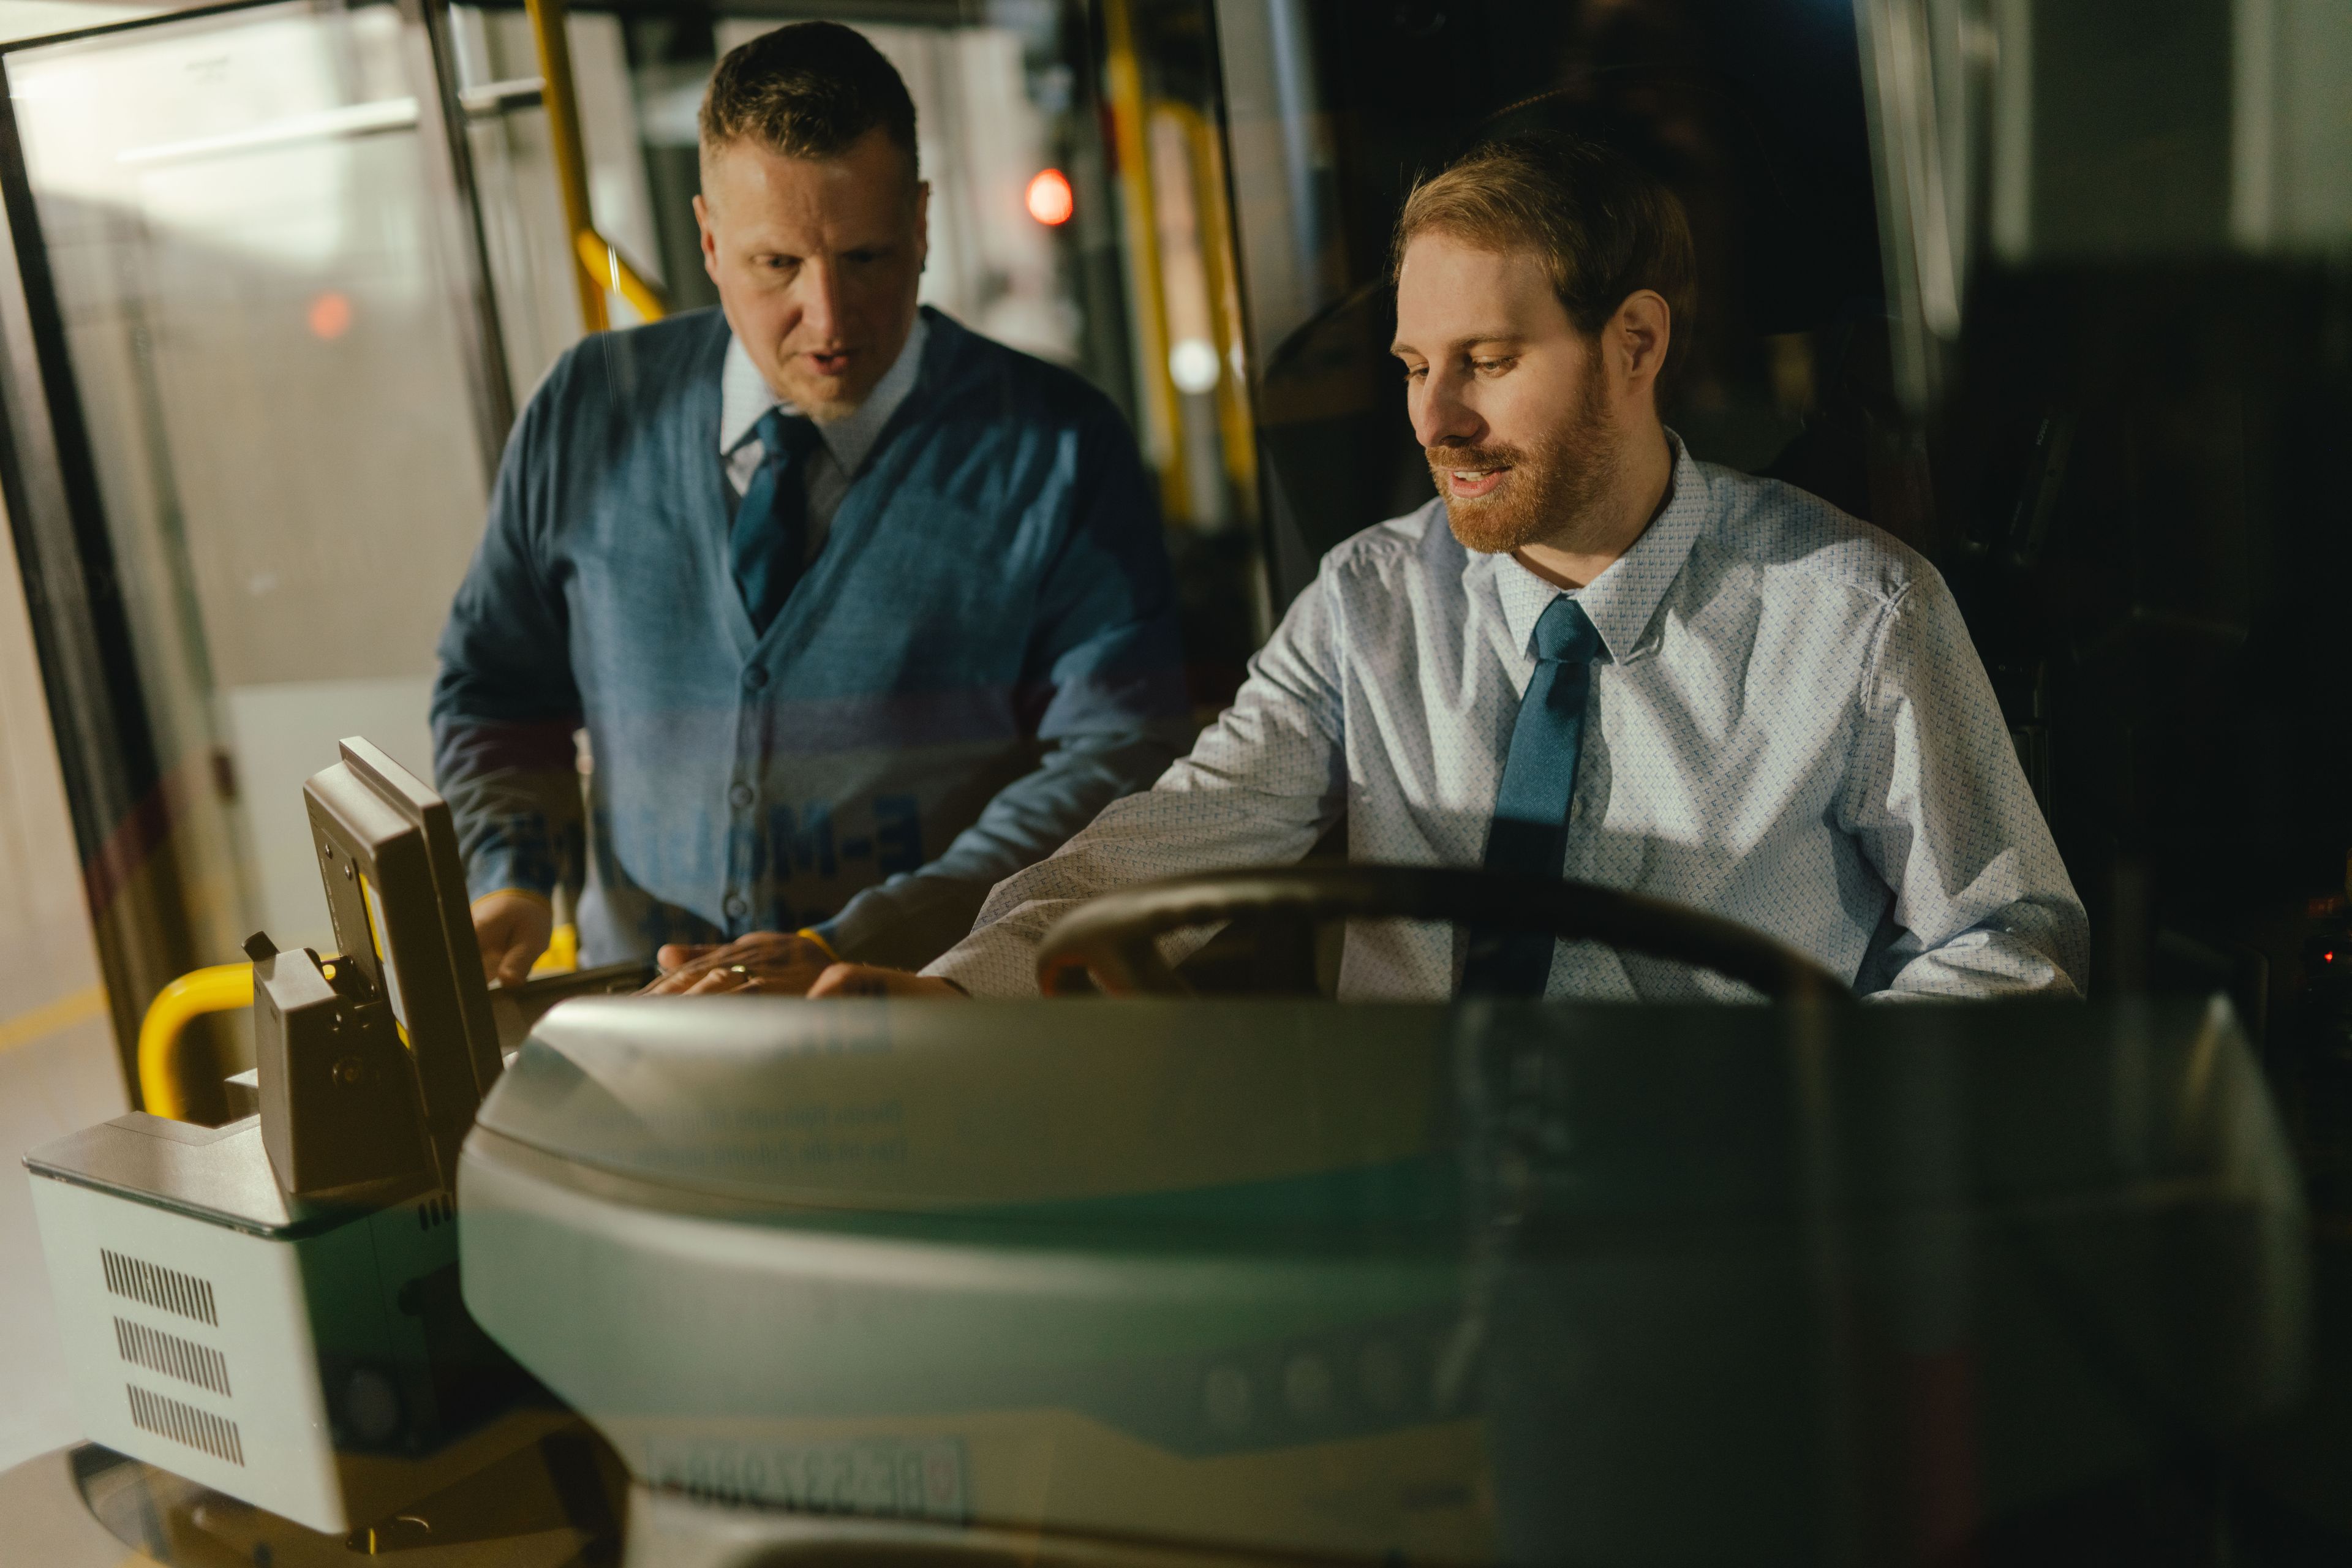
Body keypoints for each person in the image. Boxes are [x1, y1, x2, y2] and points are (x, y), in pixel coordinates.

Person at [790, 133, 2089, 1003]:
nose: (1433, 420)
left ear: (1636, 344)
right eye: (1417, 366)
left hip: (1724, 1235)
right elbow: (1173, 841)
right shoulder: (1367, 604)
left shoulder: (1855, 612)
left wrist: (1805, 1133)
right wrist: (962, 989)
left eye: (1489, 360)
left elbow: (2013, 945)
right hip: (1410, 1226)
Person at [433, 21, 1188, 990]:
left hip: (929, 1015)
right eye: (778, 265)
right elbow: (497, 688)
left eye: (867, 258)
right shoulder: (587, 407)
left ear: (922, 223)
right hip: (643, 1027)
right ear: (709, 240)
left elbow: (1115, 756)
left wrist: (859, 941)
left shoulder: (1060, 446)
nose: (829, 320)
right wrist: (511, 873)